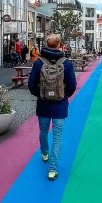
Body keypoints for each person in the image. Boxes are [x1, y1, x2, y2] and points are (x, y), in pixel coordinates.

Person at [28, 34, 77, 181]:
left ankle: (44, 153)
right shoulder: (66, 63)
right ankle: (52, 169)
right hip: (60, 106)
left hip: (43, 105)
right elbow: (73, 85)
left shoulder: (39, 62)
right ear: (59, 45)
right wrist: (64, 96)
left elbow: (31, 84)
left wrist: (41, 95)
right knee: (57, 137)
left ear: (46, 44)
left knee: (43, 131)